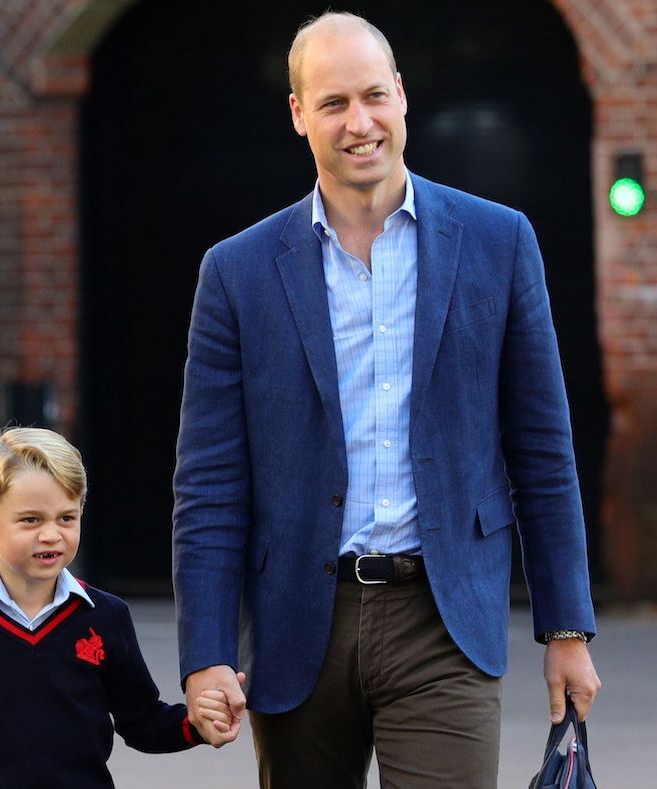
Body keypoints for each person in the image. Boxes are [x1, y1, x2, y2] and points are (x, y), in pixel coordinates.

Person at [172, 11, 601, 786]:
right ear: (299, 114)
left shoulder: (499, 242)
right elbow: (209, 484)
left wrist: (566, 627)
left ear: (401, 95)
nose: (359, 122)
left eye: (373, 95)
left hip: (444, 619)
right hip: (298, 621)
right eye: (333, 103)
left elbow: (542, 452)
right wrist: (206, 652)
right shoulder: (236, 272)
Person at [0, 427, 236, 788]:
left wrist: (197, 724)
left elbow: (142, 721)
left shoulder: (107, 616)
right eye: (30, 520)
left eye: (66, 518)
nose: (51, 535)